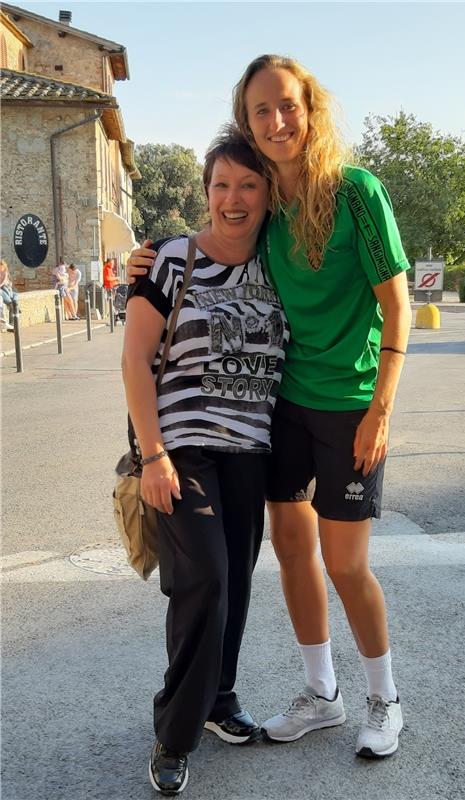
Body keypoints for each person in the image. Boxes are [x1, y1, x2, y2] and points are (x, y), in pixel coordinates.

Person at [128, 54, 412, 761]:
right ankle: (323, 693)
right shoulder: (270, 207)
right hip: (281, 410)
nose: (277, 120)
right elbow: (214, 238)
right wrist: (148, 257)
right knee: (290, 553)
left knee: (345, 565)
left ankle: (384, 699)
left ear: (309, 109)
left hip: (348, 406)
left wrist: (381, 406)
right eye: (261, 110)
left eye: (287, 105)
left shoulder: (355, 191)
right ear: (248, 124)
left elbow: (397, 303)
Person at [122, 130, 288, 795]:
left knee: (236, 586)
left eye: (248, 184)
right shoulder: (167, 260)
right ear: (206, 192)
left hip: (250, 449)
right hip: (181, 447)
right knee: (206, 582)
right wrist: (151, 455)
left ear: (268, 194)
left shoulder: (281, 267)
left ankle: (218, 700)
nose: (233, 198)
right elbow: (135, 358)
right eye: (221, 185)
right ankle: (175, 730)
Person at [0, 260, 18, 328]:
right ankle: (11, 323)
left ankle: (12, 323)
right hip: (2, 289)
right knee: (10, 304)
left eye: (2, 266)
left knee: (11, 303)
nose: (1, 268)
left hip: (5, 288)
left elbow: (4, 282)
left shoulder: (5, 273)